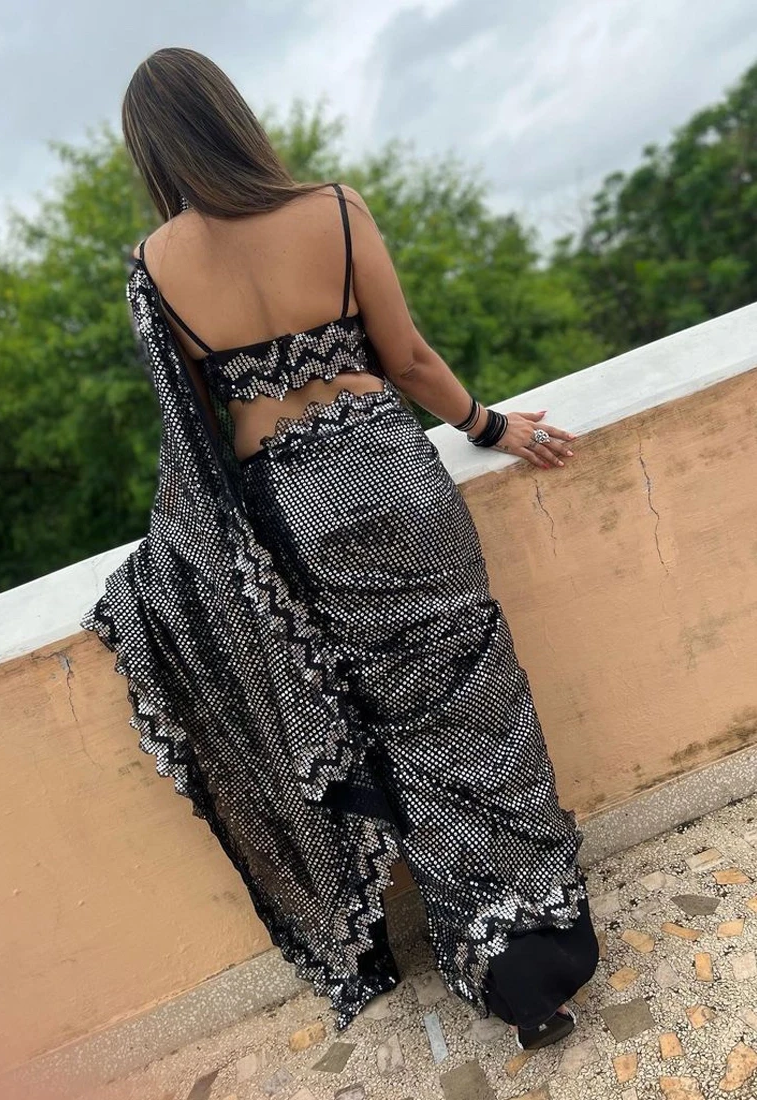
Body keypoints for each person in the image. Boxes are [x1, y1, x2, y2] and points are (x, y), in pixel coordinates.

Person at [81, 46, 599, 1053]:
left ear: (152, 148)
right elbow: (407, 358)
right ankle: (544, 938)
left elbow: (193, 433)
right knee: (480, 696)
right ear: (232, 116)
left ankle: (500, 970)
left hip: (299, 511)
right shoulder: (334, 208)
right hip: (395, 474)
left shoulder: (153, 267)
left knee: (401, 728)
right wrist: (491, 426)